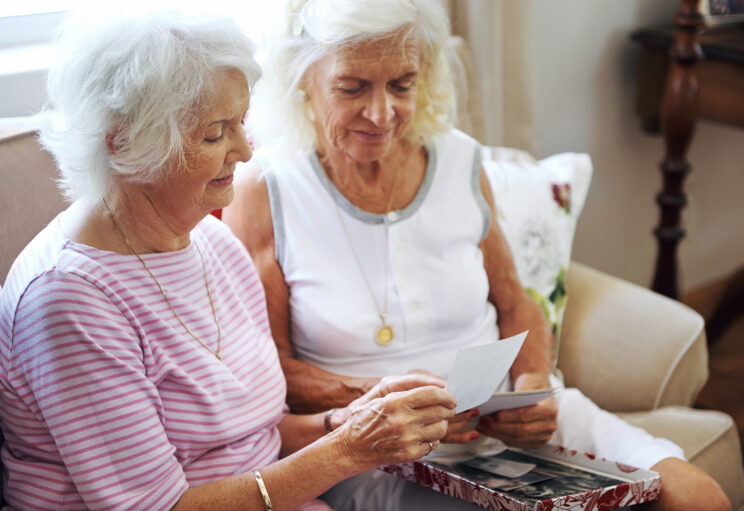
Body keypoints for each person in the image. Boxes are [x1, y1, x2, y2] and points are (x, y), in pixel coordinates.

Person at [223, 1, 732, 510]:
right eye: (353, 87)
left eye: (402, 84)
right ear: (302, 81)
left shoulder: (460, 160)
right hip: (377, 447)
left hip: (500, 417)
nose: (382, 114)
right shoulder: (266, 189)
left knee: (698, 498)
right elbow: (267, 370)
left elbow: (516, 304)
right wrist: (374, 397)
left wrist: (533, 385)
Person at [0, 8, 459, 511]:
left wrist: (350, 420)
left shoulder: (212, 243)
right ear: (126, 144)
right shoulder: (68, 300)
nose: (244, 150)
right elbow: (156, 508)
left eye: (240, 122)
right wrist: (347, 449)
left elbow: (257, 436)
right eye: (214, 134)